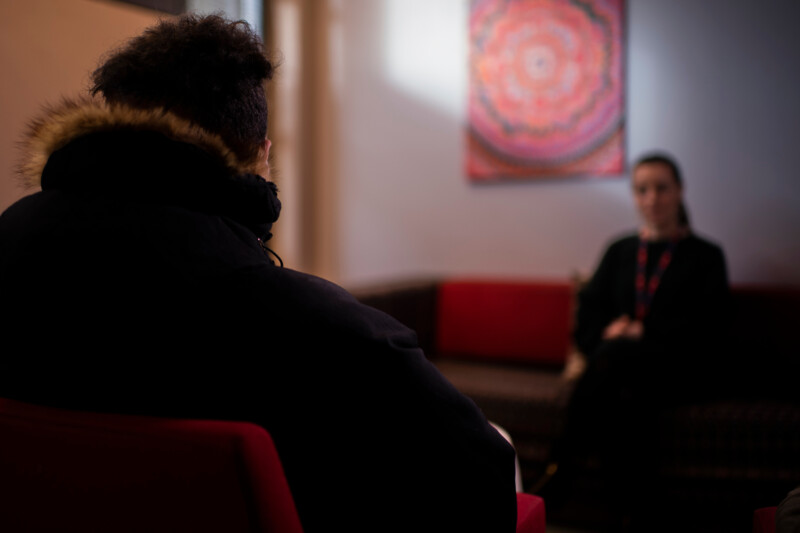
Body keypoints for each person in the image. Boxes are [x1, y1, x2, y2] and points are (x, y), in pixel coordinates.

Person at [0, 14, 517, 532]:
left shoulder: (12, 240)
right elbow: (480, 482)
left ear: (108, 124)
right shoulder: (309, 324)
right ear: (263, 154)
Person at [537, 153, 730, 530]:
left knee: (616, 367)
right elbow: (588, 316)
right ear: (634, 196)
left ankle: (558, 469)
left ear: (680, 191)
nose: (652, 198)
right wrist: (610, 333)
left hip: (682, 369)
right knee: (625, 395)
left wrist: (645, 331)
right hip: (623, 371)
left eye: (661, 188)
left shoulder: (706, 255)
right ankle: (633, 512)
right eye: (642, 190)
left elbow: (711, 327)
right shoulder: (620, 249)